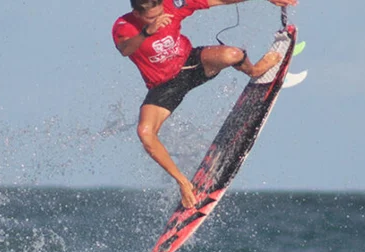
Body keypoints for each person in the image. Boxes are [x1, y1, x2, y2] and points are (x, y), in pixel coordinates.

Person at [113, 0, 298, 208]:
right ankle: (183, 182)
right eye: (150, 17)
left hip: (193, 64)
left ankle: (254, 70)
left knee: (233, 54)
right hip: (164, 87)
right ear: (136, 13)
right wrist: (147, 32)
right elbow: (125, 49)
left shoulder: (172, 5)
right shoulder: (124, 26)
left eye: (160, 14)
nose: (159, 19)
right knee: (145, 132)